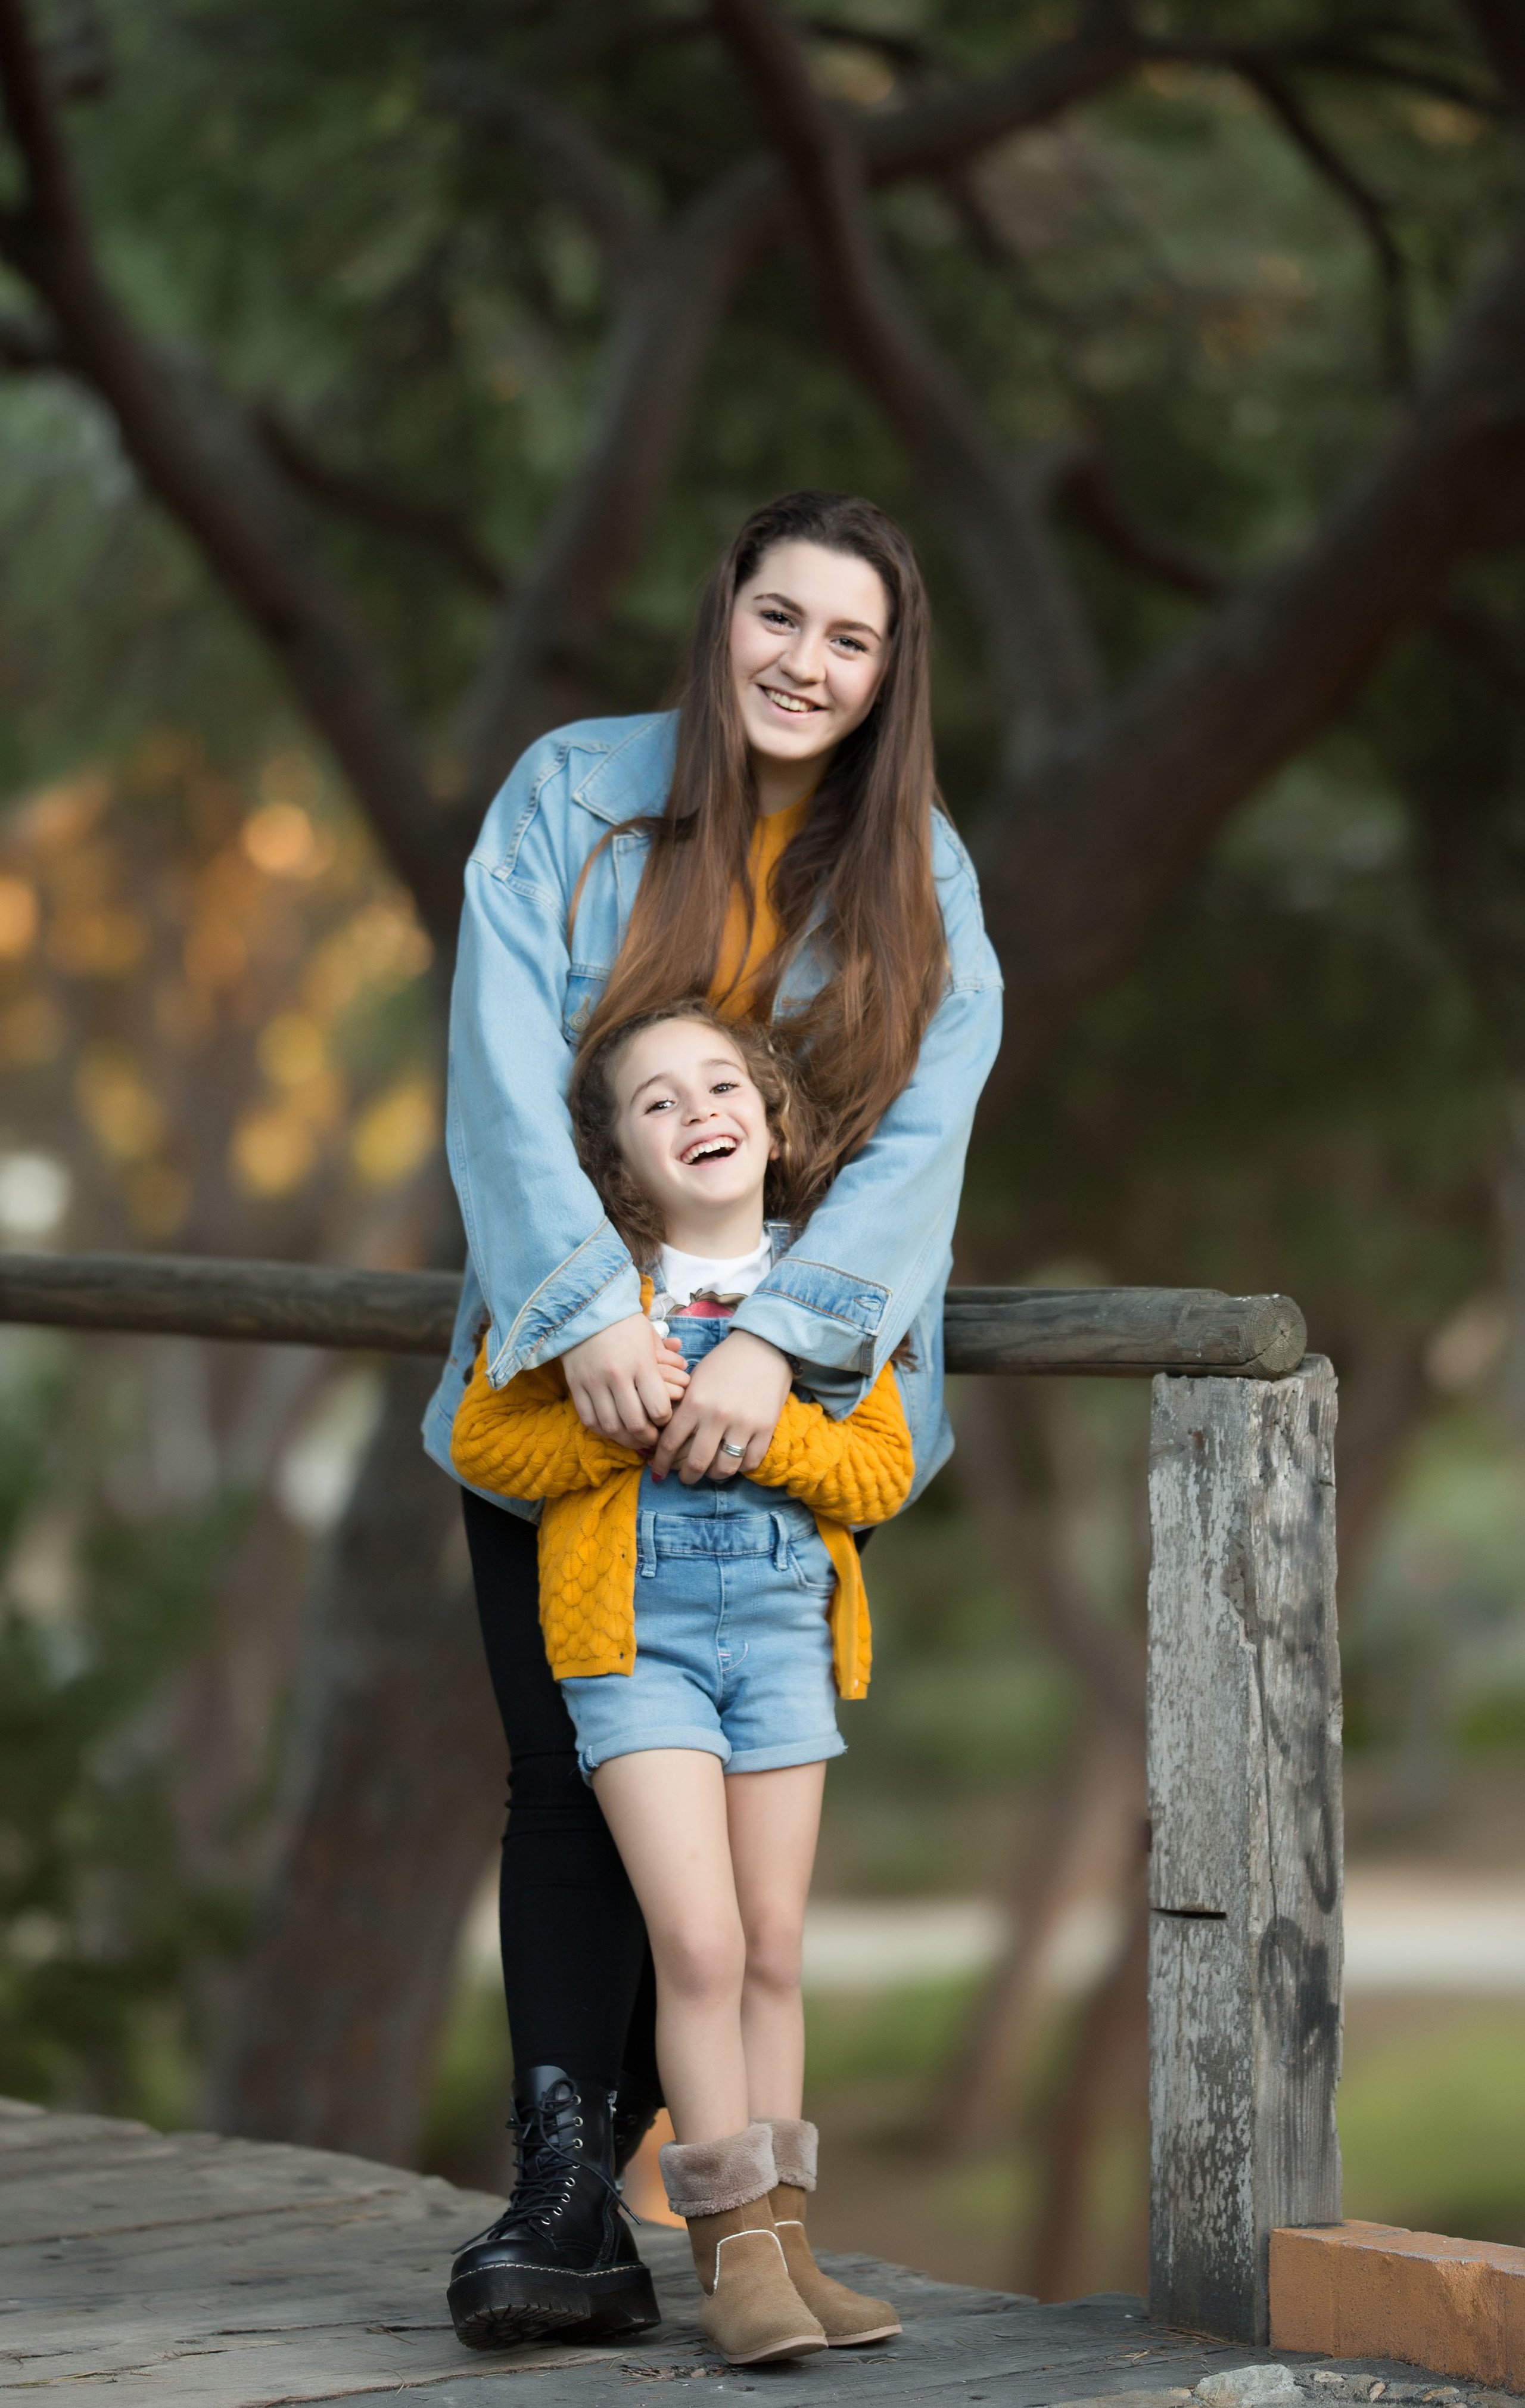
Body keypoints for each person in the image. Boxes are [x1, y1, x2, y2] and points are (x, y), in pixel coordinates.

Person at [422, 489, 1002, 2350]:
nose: (805, 663)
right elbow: (502, 1070)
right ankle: (564, 2190)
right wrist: (589, 1310)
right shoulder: (571, 798)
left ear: (890, 676)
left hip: (787, 1425)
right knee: (560, 1783)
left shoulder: (921, 877)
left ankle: (699, 2212)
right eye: (780, 616)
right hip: (566, 1382)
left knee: (746, 1903)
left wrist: (785, 1342)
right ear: (722, 614)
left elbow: (921, 1139)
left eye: (851, 639)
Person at [452, 1003, 916, 2363]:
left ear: (771, 1127)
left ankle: (790, 2243)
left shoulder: (827, 1291)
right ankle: (730, 2254)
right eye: (656, 1100)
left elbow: (879, 1468)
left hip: (781, 1641)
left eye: (723, 1086)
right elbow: (488, 1440)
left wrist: (770, 1427)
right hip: (632, 1647)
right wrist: (616, 1421)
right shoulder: (586, 1296)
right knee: (699, 1944)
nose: (698, 1107)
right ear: (616, 1160)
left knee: (771, 1944)